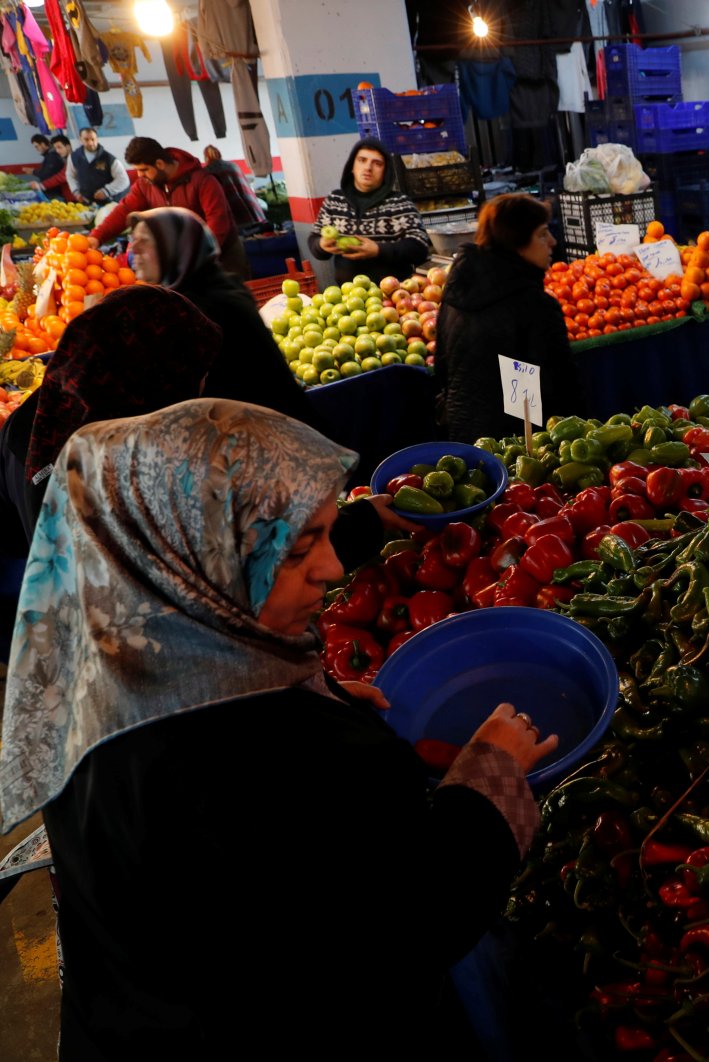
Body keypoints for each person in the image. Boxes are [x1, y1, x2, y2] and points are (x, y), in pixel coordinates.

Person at [0, 397, 559, 1058]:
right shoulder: (282, 761)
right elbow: (406, 929)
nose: (328, 568)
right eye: (298, 552)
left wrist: (308, 700)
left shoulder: (96, 652)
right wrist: (487, 786)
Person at [0, 283, 311, 547]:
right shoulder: (138, 459)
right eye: (196, 372)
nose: (201, 386)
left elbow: (12, 533)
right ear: (157, 373)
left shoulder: (27, 423)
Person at [126, 206, 319, 428]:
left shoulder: (209, 306)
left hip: (267, 434)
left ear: (177, 247)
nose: (135, 249)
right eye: (134, 239)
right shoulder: (208, 290)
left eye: (146, 240)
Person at [435, 194, 582, 441]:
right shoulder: (535, 306)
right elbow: (560, 393)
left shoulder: (455, 293)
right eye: (543, 234)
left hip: (465, 434)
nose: (553, 242)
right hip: (521, 449)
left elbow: (442, 370)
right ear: (516, 242)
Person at [89, 136, 249, 281]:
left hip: (223, 259)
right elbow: (124, 210)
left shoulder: (204, 181)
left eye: (144, 170)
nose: (139, 175)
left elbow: (218, 225)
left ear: (160, 164)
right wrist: (97, 236)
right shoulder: (146, 185)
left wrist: (196, 260)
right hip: (182, 262)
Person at [308, 137, 430, 286]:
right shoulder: (335, 200)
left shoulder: (399, 203)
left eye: (377, 163)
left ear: (385, 171)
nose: (368, 168)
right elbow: (314, 240)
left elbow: (419, 248)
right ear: (352, 166)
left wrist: (378, 250)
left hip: (393, 296)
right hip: (347, 297)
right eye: (362, 160)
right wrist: (321, 245)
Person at [202, 144, 267, 231]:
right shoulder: (233, 165)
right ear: (219, 154)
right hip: (248, 206)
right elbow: (245, 186)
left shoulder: (206, 171)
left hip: (230, 212)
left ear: (206, 157)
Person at [65, 126, 131, 205]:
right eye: (86, 139)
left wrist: (106, 191)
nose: (90, 143)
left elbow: (123, 180)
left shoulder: (109, 158)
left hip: (109, 202)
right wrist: (75, 191)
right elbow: (70, 175)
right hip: (86, 201)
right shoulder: (74, 157)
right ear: (81, 140)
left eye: (93, 139)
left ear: (97, 139)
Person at [28, 133, 72, 201]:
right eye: (56, 148)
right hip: (68, 196)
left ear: (68, 146)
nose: (57, 151)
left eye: (59, 147)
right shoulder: (67, 159)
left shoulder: (73, 159)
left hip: (73, 197)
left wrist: (41, 185)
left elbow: (62, 176)